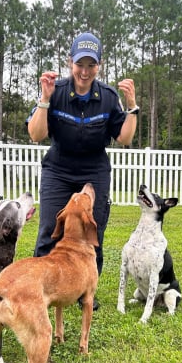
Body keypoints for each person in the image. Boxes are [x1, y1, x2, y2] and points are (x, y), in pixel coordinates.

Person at [27, 32, 138, 310]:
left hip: (94, 169)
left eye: (91, 65)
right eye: (80, 65)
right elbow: (36, 134)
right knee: (50, 229)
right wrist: (44, 98)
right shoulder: (56, 91)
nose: (85, 72)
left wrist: (133, 107)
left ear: (99, 64)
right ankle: (38, 288)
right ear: (70, 62)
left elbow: (124, 138)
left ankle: (85, 290)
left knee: (92, 232)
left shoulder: (109, 98)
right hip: (59, 168)